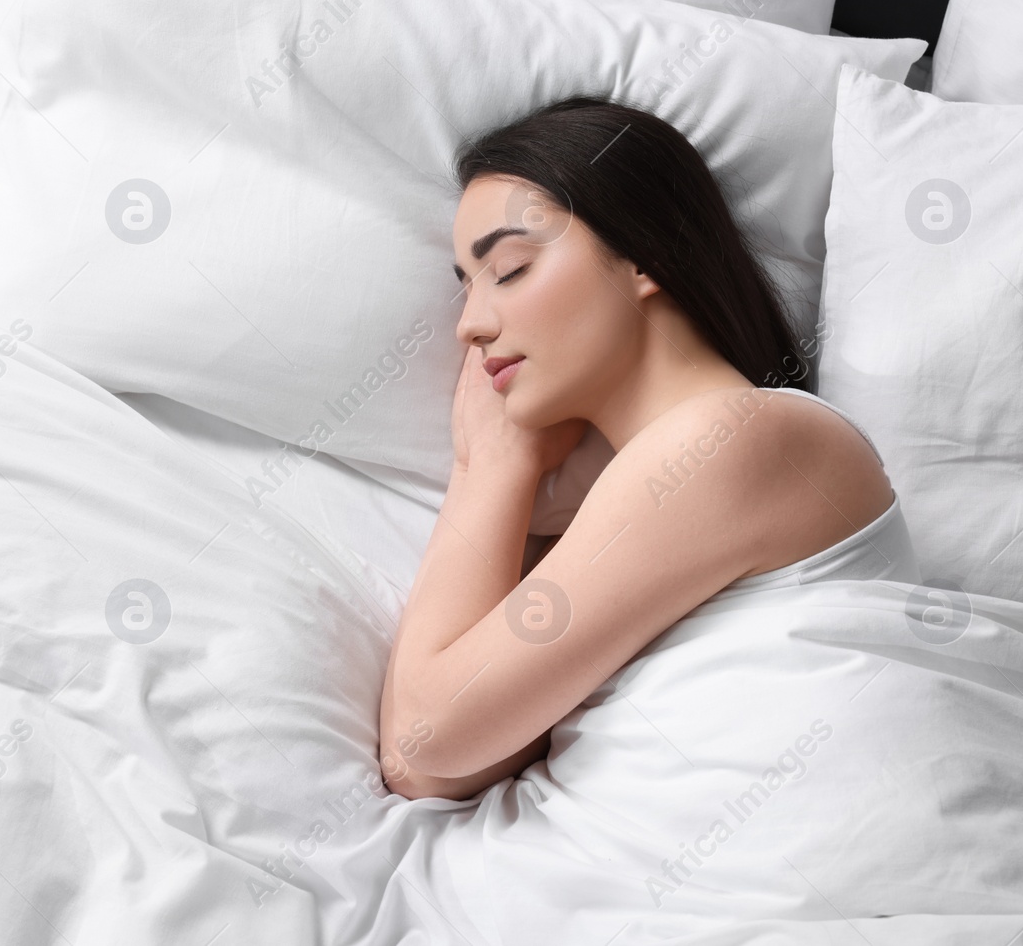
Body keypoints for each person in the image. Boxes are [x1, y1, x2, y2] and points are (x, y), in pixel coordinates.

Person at [378, 95, 908, 801]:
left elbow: (428, 734)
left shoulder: (740, 438)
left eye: (508, 270)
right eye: (466, 289)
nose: (469, 327)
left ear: (645, 255)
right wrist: (506, 469)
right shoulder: (647, 489)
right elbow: (424, 773)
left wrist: (488, 460)